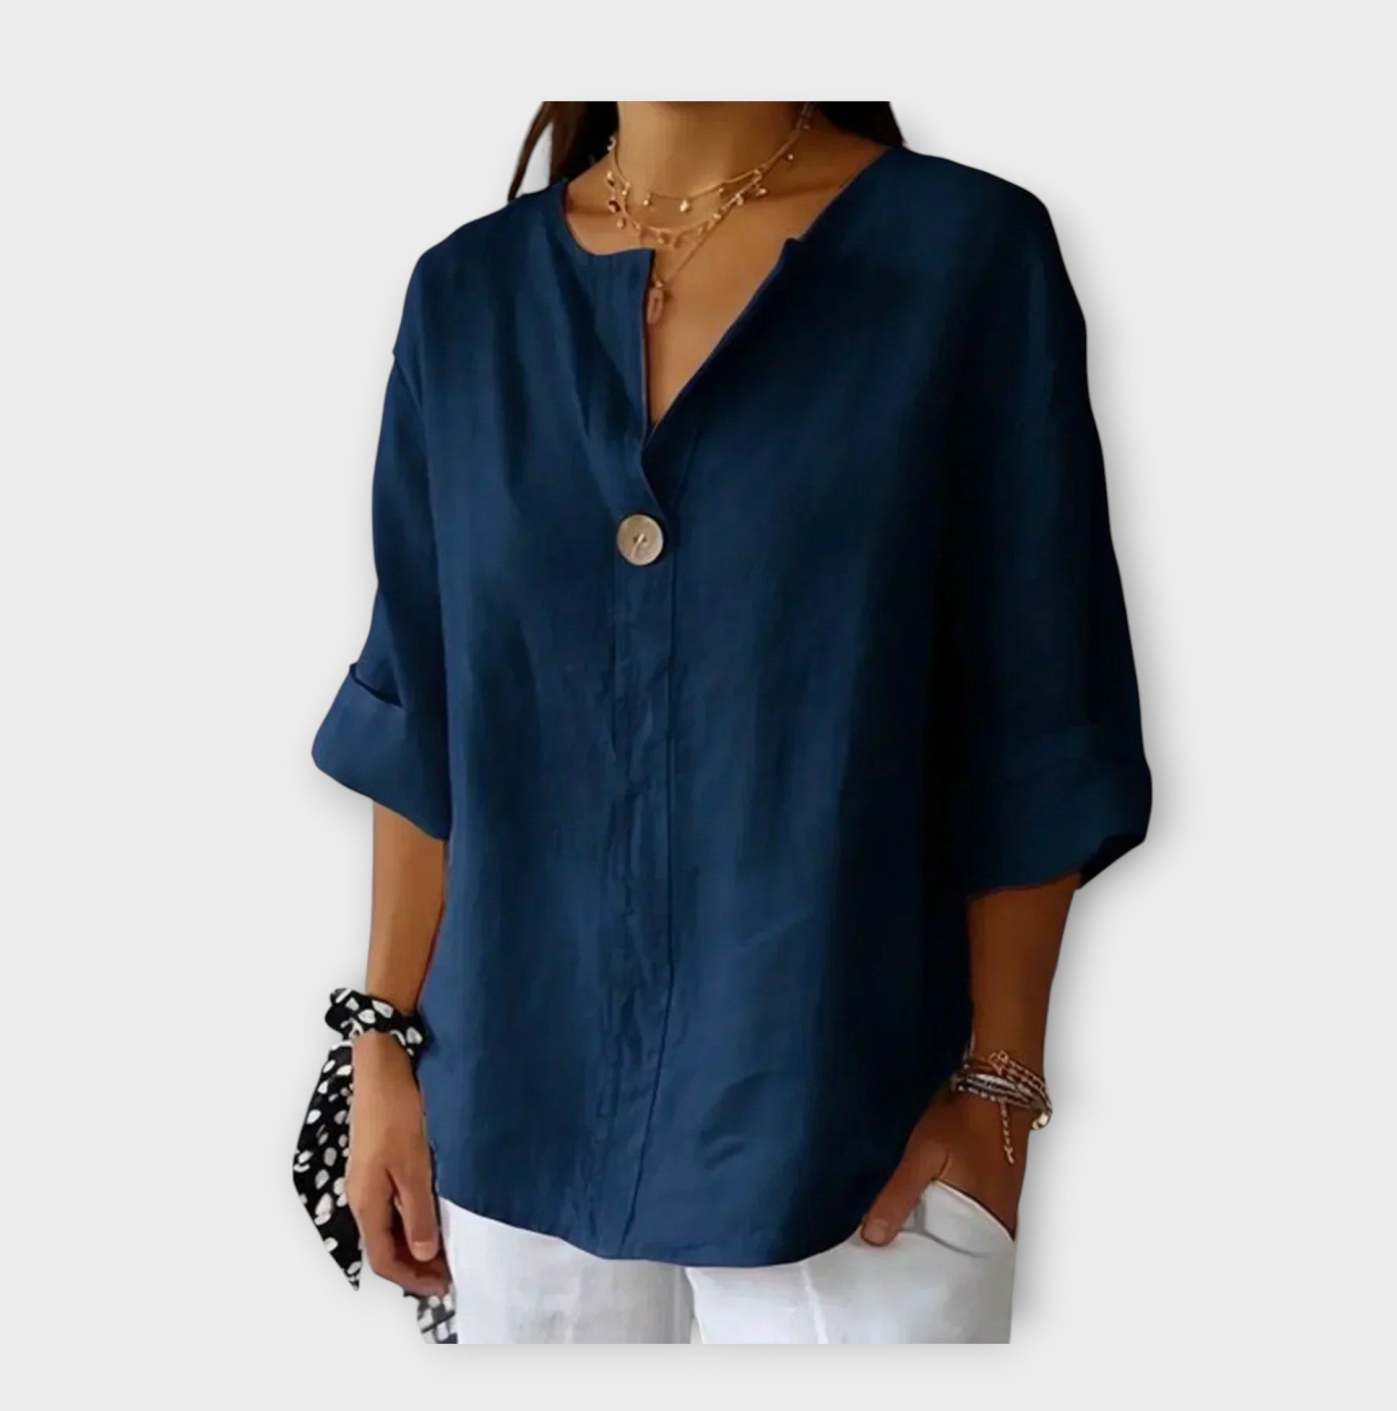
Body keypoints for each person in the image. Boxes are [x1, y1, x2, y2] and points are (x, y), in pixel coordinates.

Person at [305, 101, 1152, 1344]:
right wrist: (381, 1047)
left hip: (858, 1139)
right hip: (513, 1120)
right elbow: (422, 704)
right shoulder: (467, 296)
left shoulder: (963, 257)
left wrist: (1000, 1085)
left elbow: (1038, 703)